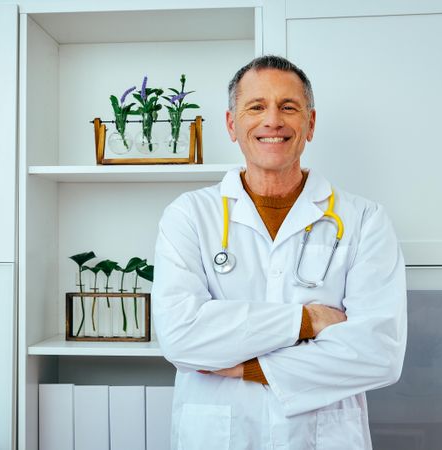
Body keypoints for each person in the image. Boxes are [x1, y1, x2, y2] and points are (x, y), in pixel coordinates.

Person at [151, 55, 407, 450]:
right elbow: (180, 336)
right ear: (232, 125)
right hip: (218, 435)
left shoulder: (364, 219)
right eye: (256, 107)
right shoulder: (188, 215)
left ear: (311, 124)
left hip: (322, 437)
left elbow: (378, 352)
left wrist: (248, 368)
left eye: (289, 107)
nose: (273, 120)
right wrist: (307, 321)